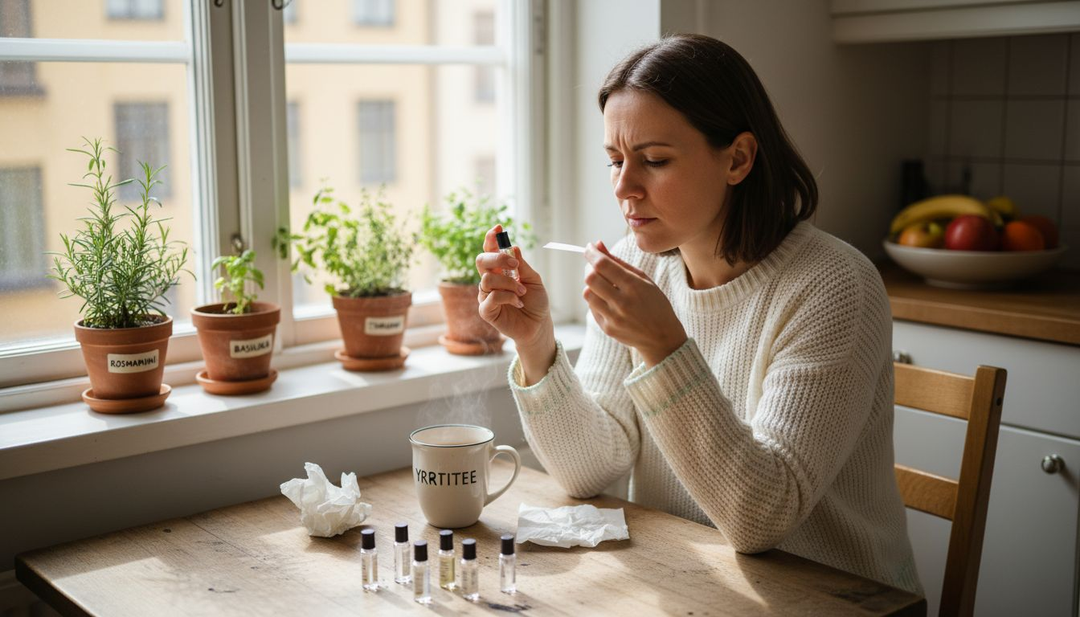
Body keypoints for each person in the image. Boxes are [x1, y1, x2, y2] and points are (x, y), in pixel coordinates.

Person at [474, 33, 922, 595]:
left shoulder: (833, 286)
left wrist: (665, 348)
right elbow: (589, 468)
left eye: (654, 160)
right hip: (693, 585)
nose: (624, 187)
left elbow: (762, 517)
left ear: (738, 158)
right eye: (615, 160)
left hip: (837, 598)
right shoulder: (641, 264)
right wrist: (536, 346)